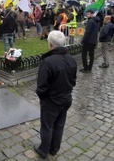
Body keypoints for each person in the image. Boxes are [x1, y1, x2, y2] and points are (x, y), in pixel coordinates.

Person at [34, 30, 77, 159]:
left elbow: (41, 86)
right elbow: (73, 81)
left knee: (47, 126)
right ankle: (54, 149)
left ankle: (43, 150)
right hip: (66, 98)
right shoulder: (71, 59)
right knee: (59, 124)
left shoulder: (48, 62)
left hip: (52, 100)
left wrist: (43, 97)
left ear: (50, 45)